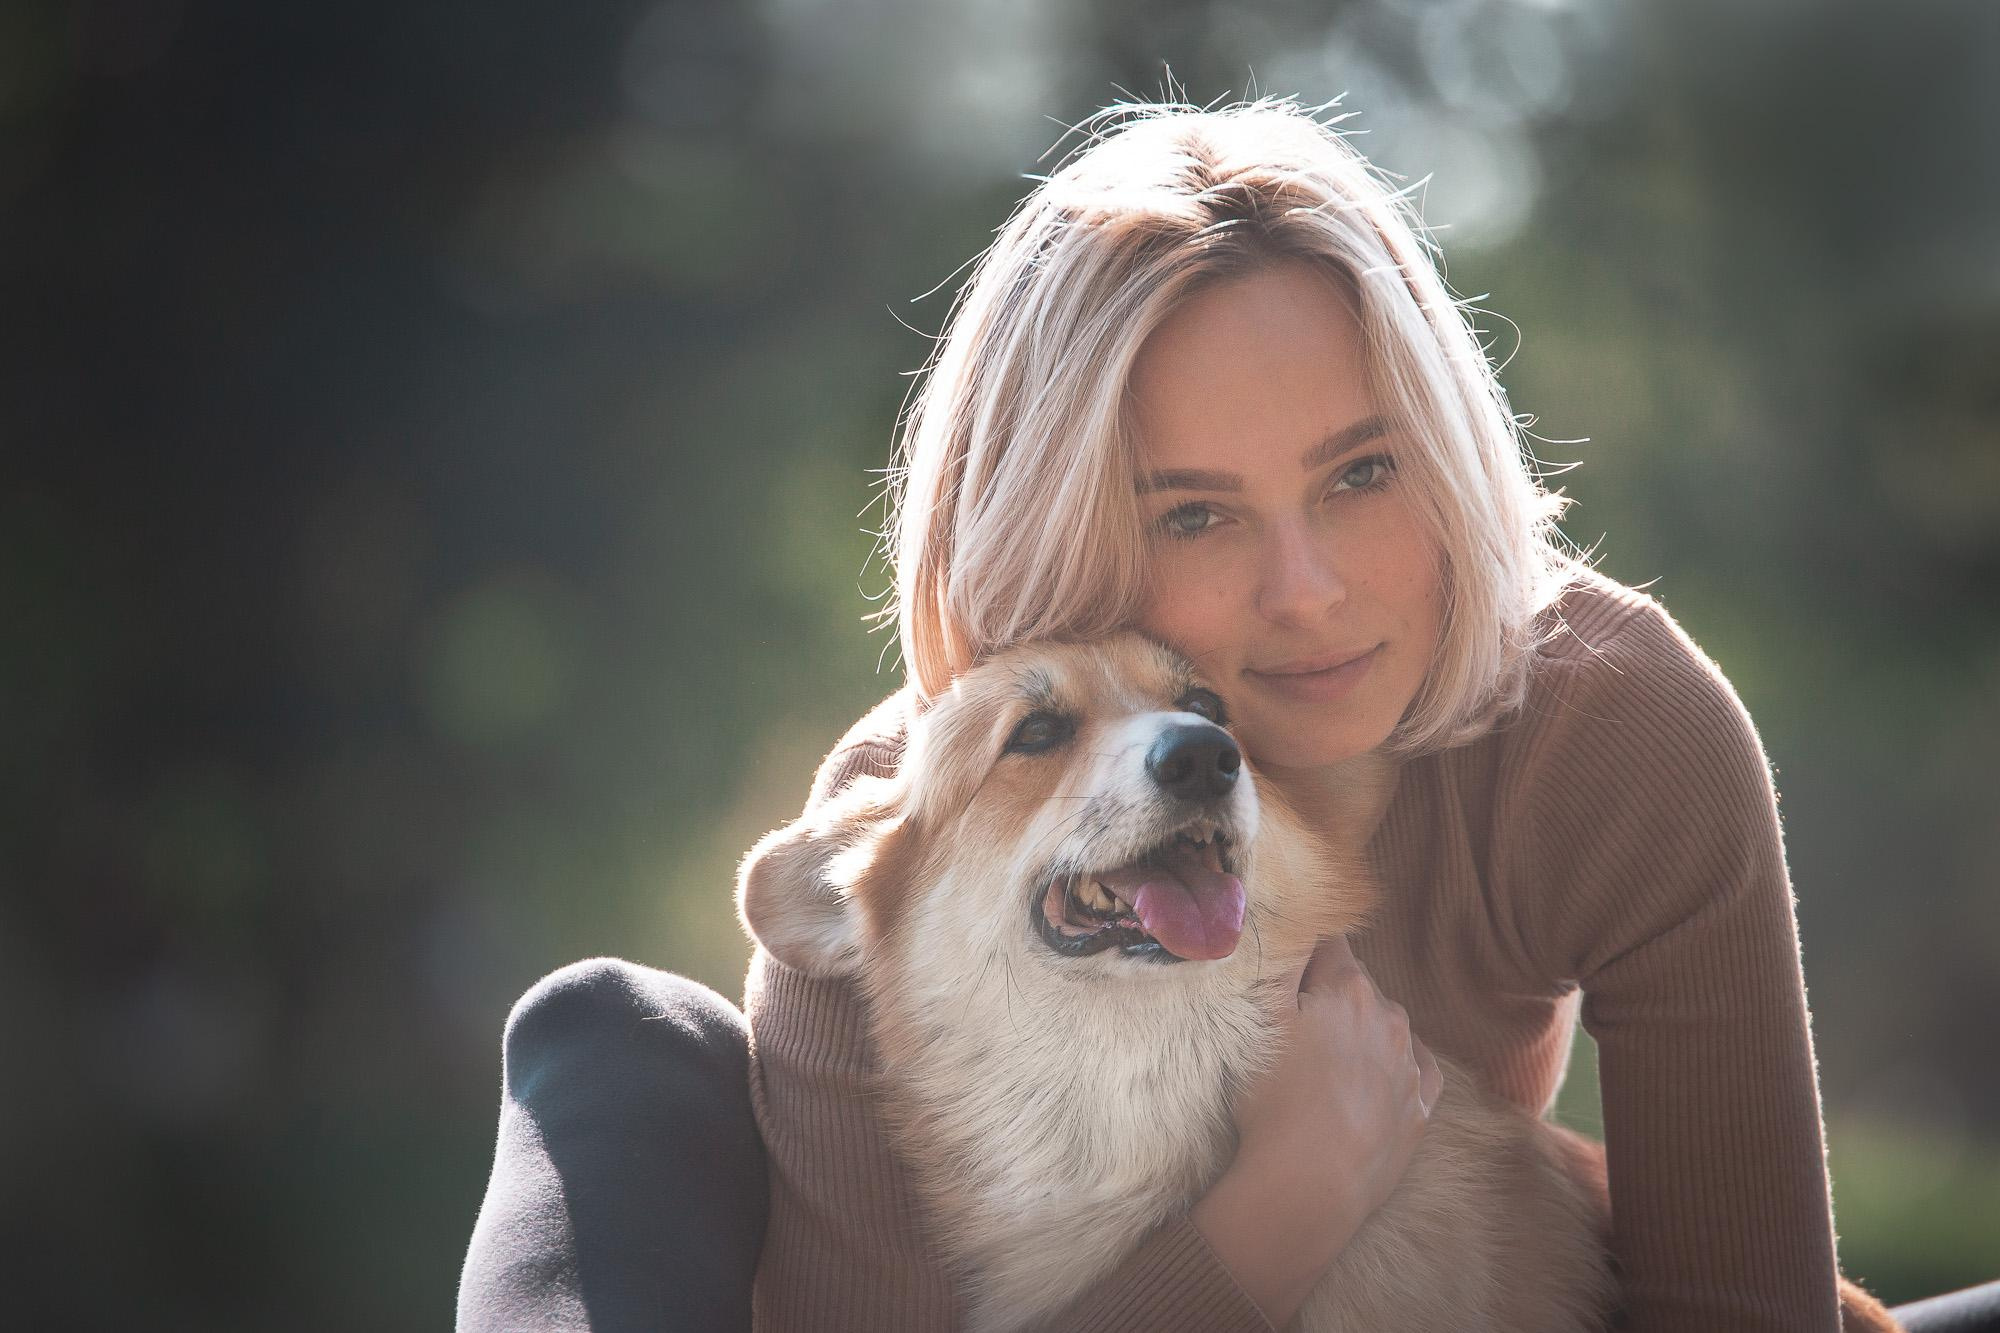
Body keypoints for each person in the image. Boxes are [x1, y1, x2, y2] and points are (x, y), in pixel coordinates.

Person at [457, 99, 1997, 1332]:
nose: (1311, 591)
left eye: (1363, 472)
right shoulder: (916, 839)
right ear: (1067, 546)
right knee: (614, 1035)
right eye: (1195, 517)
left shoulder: (1615, 721)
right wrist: (1279, 1215)